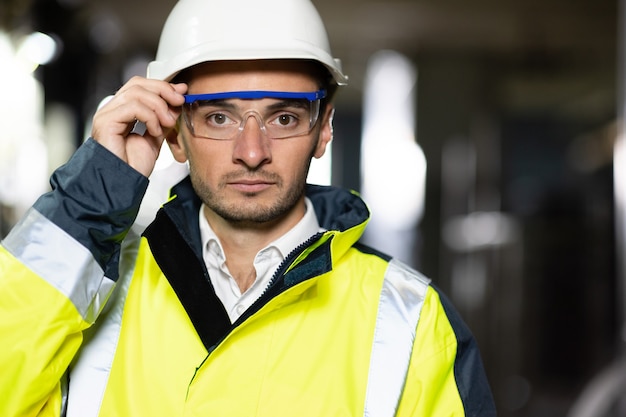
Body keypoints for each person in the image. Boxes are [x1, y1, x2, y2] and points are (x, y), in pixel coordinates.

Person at [0, 0, 497, 415]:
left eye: (283, 117)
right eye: (219, 117)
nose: (252, 151)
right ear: (174, 133)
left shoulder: (413, 321)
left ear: (324, 130)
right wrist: (88, 201)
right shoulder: (91, 294)